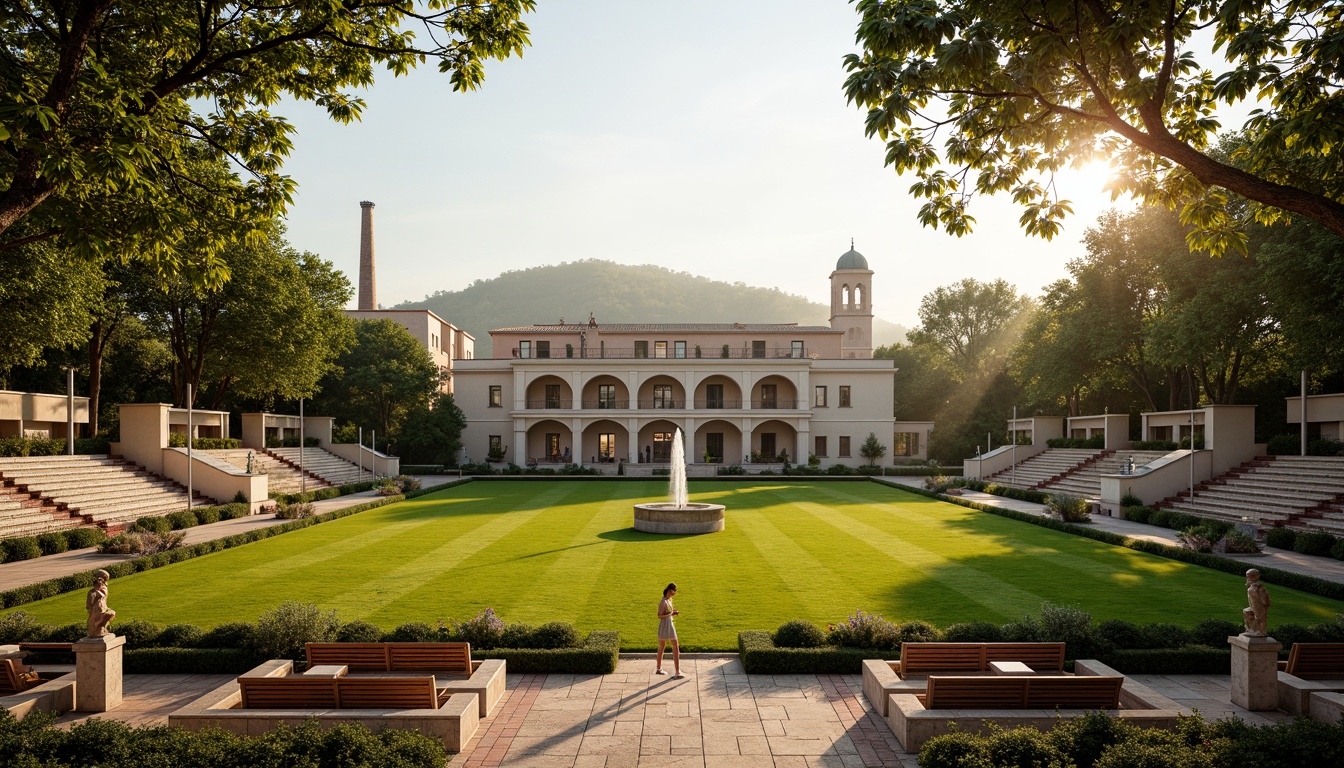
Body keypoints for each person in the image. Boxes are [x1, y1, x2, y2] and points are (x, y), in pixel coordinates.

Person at [656, 582, 683, 679]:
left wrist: (673, 613)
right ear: (669, 590)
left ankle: (661, 669)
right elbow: (659, 615)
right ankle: (677, 671)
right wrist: (671, 614)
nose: (674, 593)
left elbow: (668, 612)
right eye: (674, 590)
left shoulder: (669, 600)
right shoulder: (663, 602)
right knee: (673, 646)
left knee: (668, 646)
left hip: (668, 624)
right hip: (665, 625)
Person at [86, 569, 116, 638]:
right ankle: (99, 630)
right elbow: (89, 605)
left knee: (110, 614)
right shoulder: (92, 593)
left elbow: (104, 599)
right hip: (97, 611)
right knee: (106, 616)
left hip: (102, 608)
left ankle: (102, 629)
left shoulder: (103, 588)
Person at [1243, 568, 1271, 637]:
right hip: (1253, 605)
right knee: (1246, 612)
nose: (1248, 578)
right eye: (1247, 576)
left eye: (1249, 576)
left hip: (1259, 606)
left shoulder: (1258, 587)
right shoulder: (1252, 586)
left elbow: (1264, 596)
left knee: (1259, 618)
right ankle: (1252, 629)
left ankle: (1261, 632)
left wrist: (1265, 604)